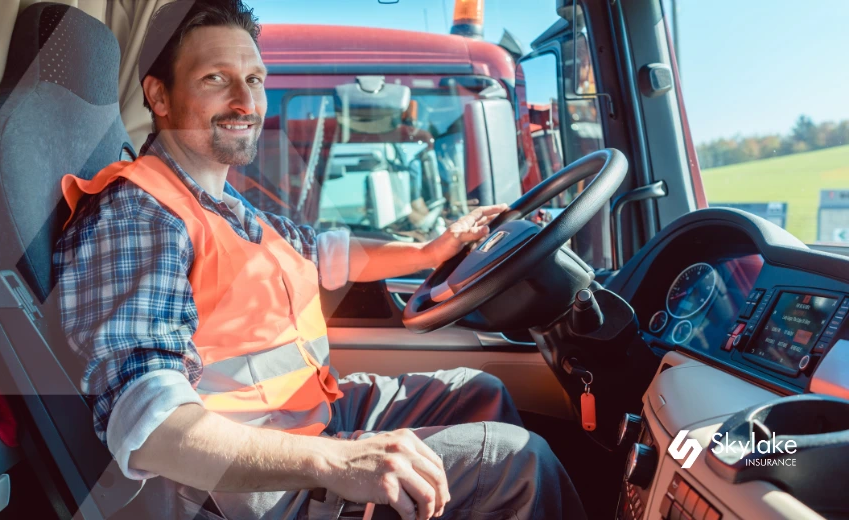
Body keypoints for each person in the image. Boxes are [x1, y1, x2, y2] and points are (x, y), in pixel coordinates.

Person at [52, 1, 586, 519]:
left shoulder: (224, 205)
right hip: (236, 491)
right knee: (517, 464)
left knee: (479, 393)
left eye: (255, 80)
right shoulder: (140, 213)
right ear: (159, 96)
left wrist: (430, 250)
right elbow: (150, 427)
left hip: (301, 418)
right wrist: (336, 460)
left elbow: (324, 251)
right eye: (216, 78)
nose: (245, 102)